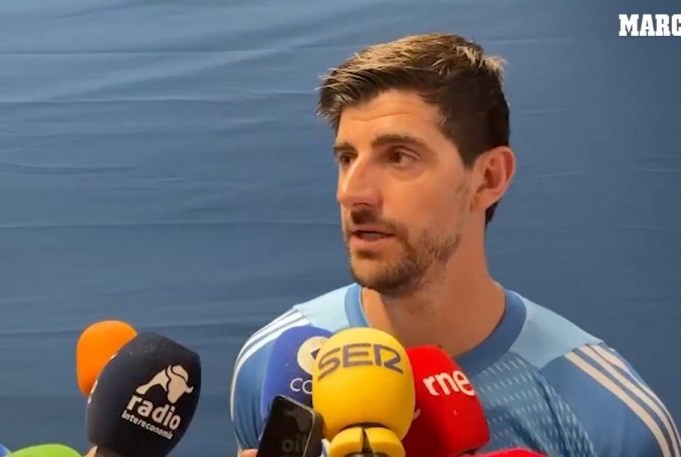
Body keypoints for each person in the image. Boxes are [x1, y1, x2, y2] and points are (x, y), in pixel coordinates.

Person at [230, 32, 680, 457]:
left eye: (399, 156)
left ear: (488, 178)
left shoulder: (608, 418)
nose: (352, 192)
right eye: (347, 158)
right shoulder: (273, 367)